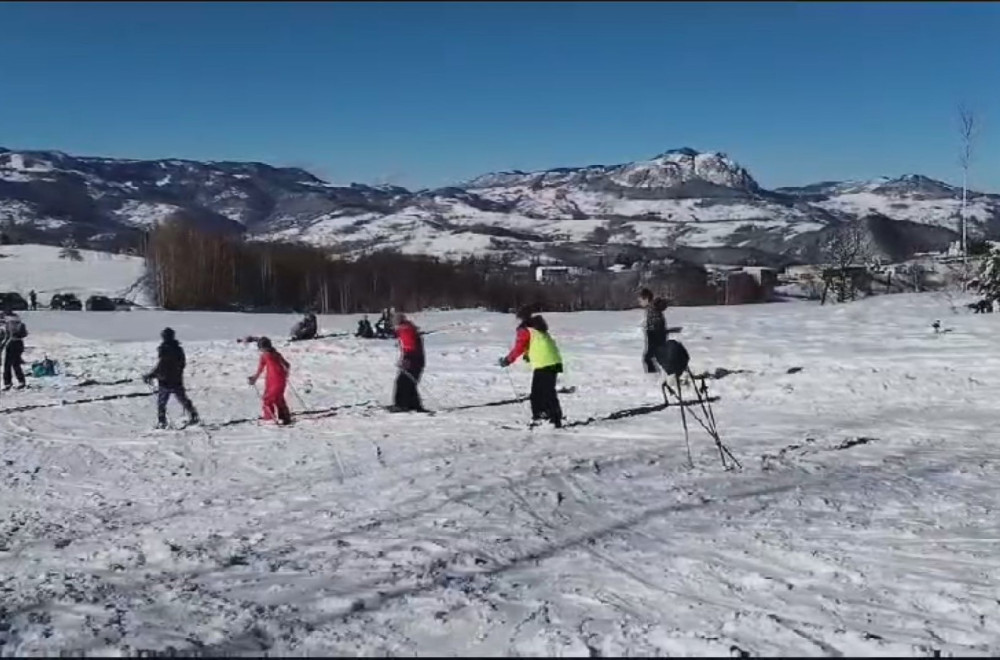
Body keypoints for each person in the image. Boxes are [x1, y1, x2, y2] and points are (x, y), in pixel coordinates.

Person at [499, 307, 563, 428]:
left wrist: (508, 360)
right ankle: (555, 417)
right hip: (554, 361)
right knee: (549, 392)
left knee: (537, 393)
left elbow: (519, 347)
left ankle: (541, 417)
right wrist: (529, 355)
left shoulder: (525, 329)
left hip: (543, 362)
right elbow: (537, 343)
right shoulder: (538, 327)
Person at [143, 327, 200, 429]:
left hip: (165, 380)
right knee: (182, 399)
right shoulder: (178, 349)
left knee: (162, 403)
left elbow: (162, 366)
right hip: (176, 379)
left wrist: (152, 375)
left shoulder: (165, 349)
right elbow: (182, 364)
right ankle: (194, 415)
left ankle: (162, 422)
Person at [248, 336, 292, 425]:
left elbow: (260, 369)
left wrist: (254, 378)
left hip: (273, 380)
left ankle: (269, 418)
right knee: (278, 398)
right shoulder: (276, 354)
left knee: (268, 399)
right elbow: (287, 365)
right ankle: (284, 416)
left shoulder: (266, 356)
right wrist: (285, 374)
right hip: (278, 379)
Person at [390, 312, 426, 412]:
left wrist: (406, 360)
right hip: (415, 359)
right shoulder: (407, 329)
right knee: (409, 382)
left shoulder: (405, 330)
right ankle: (413, 405)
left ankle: (401, 405)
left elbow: (410, 347)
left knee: (403, 382)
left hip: (413, 359)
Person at [639, 288, 670, 375]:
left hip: (655, 336)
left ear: (646, 298)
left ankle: (653, 376)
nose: (639, 302)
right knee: (653, 357)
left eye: (641, 299)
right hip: (657, 335)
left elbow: (657, 323)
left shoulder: (652, 308)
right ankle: (657, 374)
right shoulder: (652, 308)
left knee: (648, 358)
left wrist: (649, 328)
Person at [0, 310, 28, 390]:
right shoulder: (17, 320)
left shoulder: (9, 321)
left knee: (10, 364)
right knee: (14, 364)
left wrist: (2, 346)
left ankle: (9, 383)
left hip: (13, 343)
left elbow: (6, 336)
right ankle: (19, 381)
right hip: (16, 343)